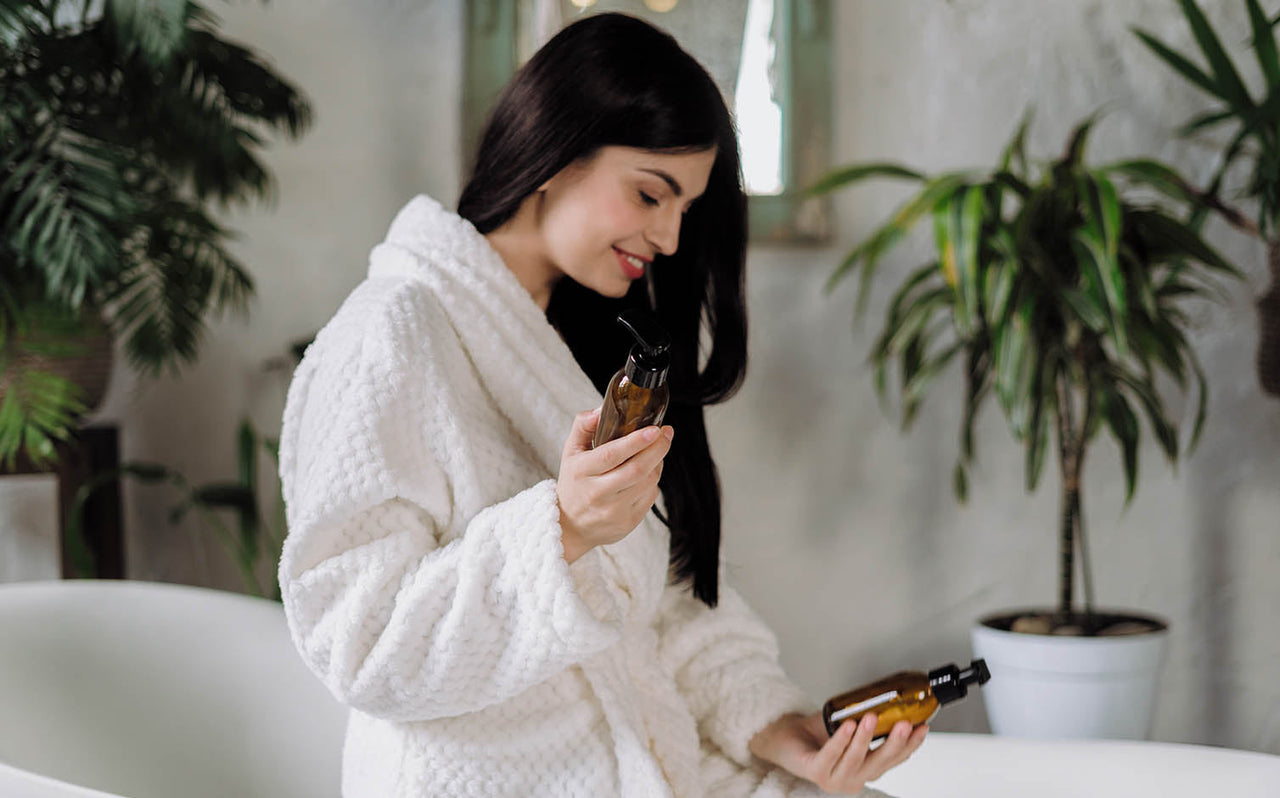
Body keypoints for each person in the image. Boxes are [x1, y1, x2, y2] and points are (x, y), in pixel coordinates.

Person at [277, 12, 927, 797]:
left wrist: (778, 728)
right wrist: (560, 530)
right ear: (554, 151)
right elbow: (360, 642)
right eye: (651, 194)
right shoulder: (391, 334)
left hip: (631, 759)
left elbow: (662, 600)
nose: (670, 237)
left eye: (684, 208)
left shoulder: (583, 345)